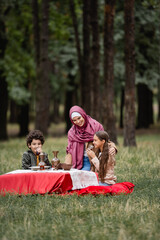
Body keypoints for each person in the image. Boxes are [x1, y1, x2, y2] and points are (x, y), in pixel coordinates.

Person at [65, 105, 117, 171]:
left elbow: (105, 140)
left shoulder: (96, 126)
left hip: (93, 160)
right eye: (74, 120)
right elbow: (69, 151)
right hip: (77, 162)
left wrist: (113, 147)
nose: (78, 122)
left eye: (79, 118)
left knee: (82, 177)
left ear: (83, 115)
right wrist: (67, 167)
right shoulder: (72, 132)